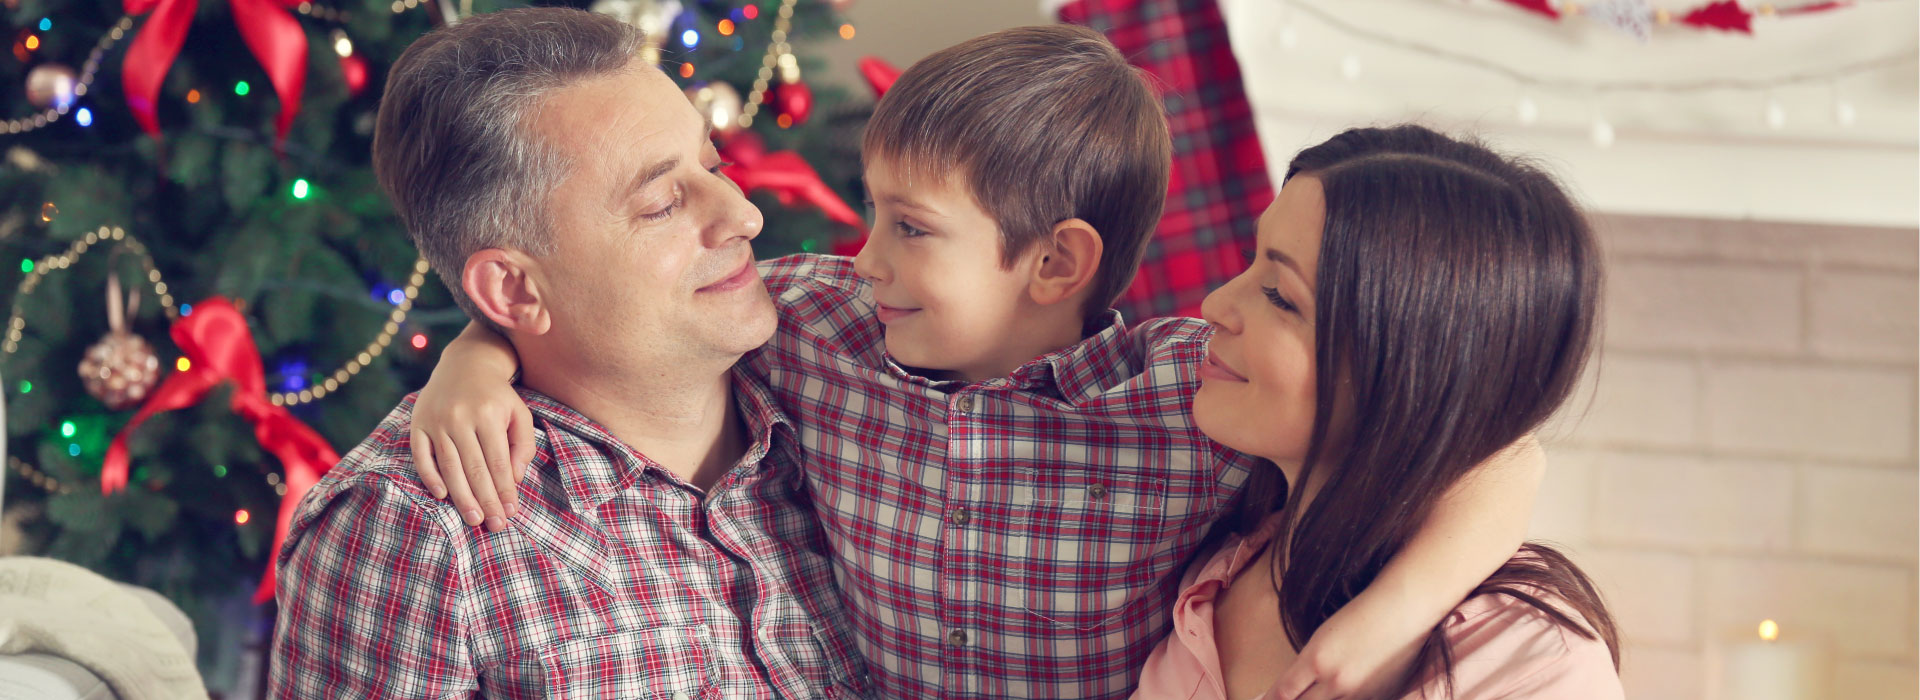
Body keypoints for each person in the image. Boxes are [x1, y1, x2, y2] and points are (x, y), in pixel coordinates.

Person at [412, 26, 1545, 698]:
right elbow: (612, 307)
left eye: (911, 228)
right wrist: (477, 355)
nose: (864, 256)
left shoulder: (1188, 393)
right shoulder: (823, 329)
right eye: (872, 215)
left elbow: (1489, 446)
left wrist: (1391, 613)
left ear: (1054, 264)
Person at [267, 9, 869, 698]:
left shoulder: (846, 356)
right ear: (514, 289)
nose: (744, 216)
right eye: (663, 204)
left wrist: (478, 350)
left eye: (714, 164)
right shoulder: (416, 532)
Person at [1133, 125, 1622, 699]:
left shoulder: (1524, 661)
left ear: (1409, 372)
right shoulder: (1215, 557)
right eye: (1252, 259)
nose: (1215, 304)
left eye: (1280, 296)